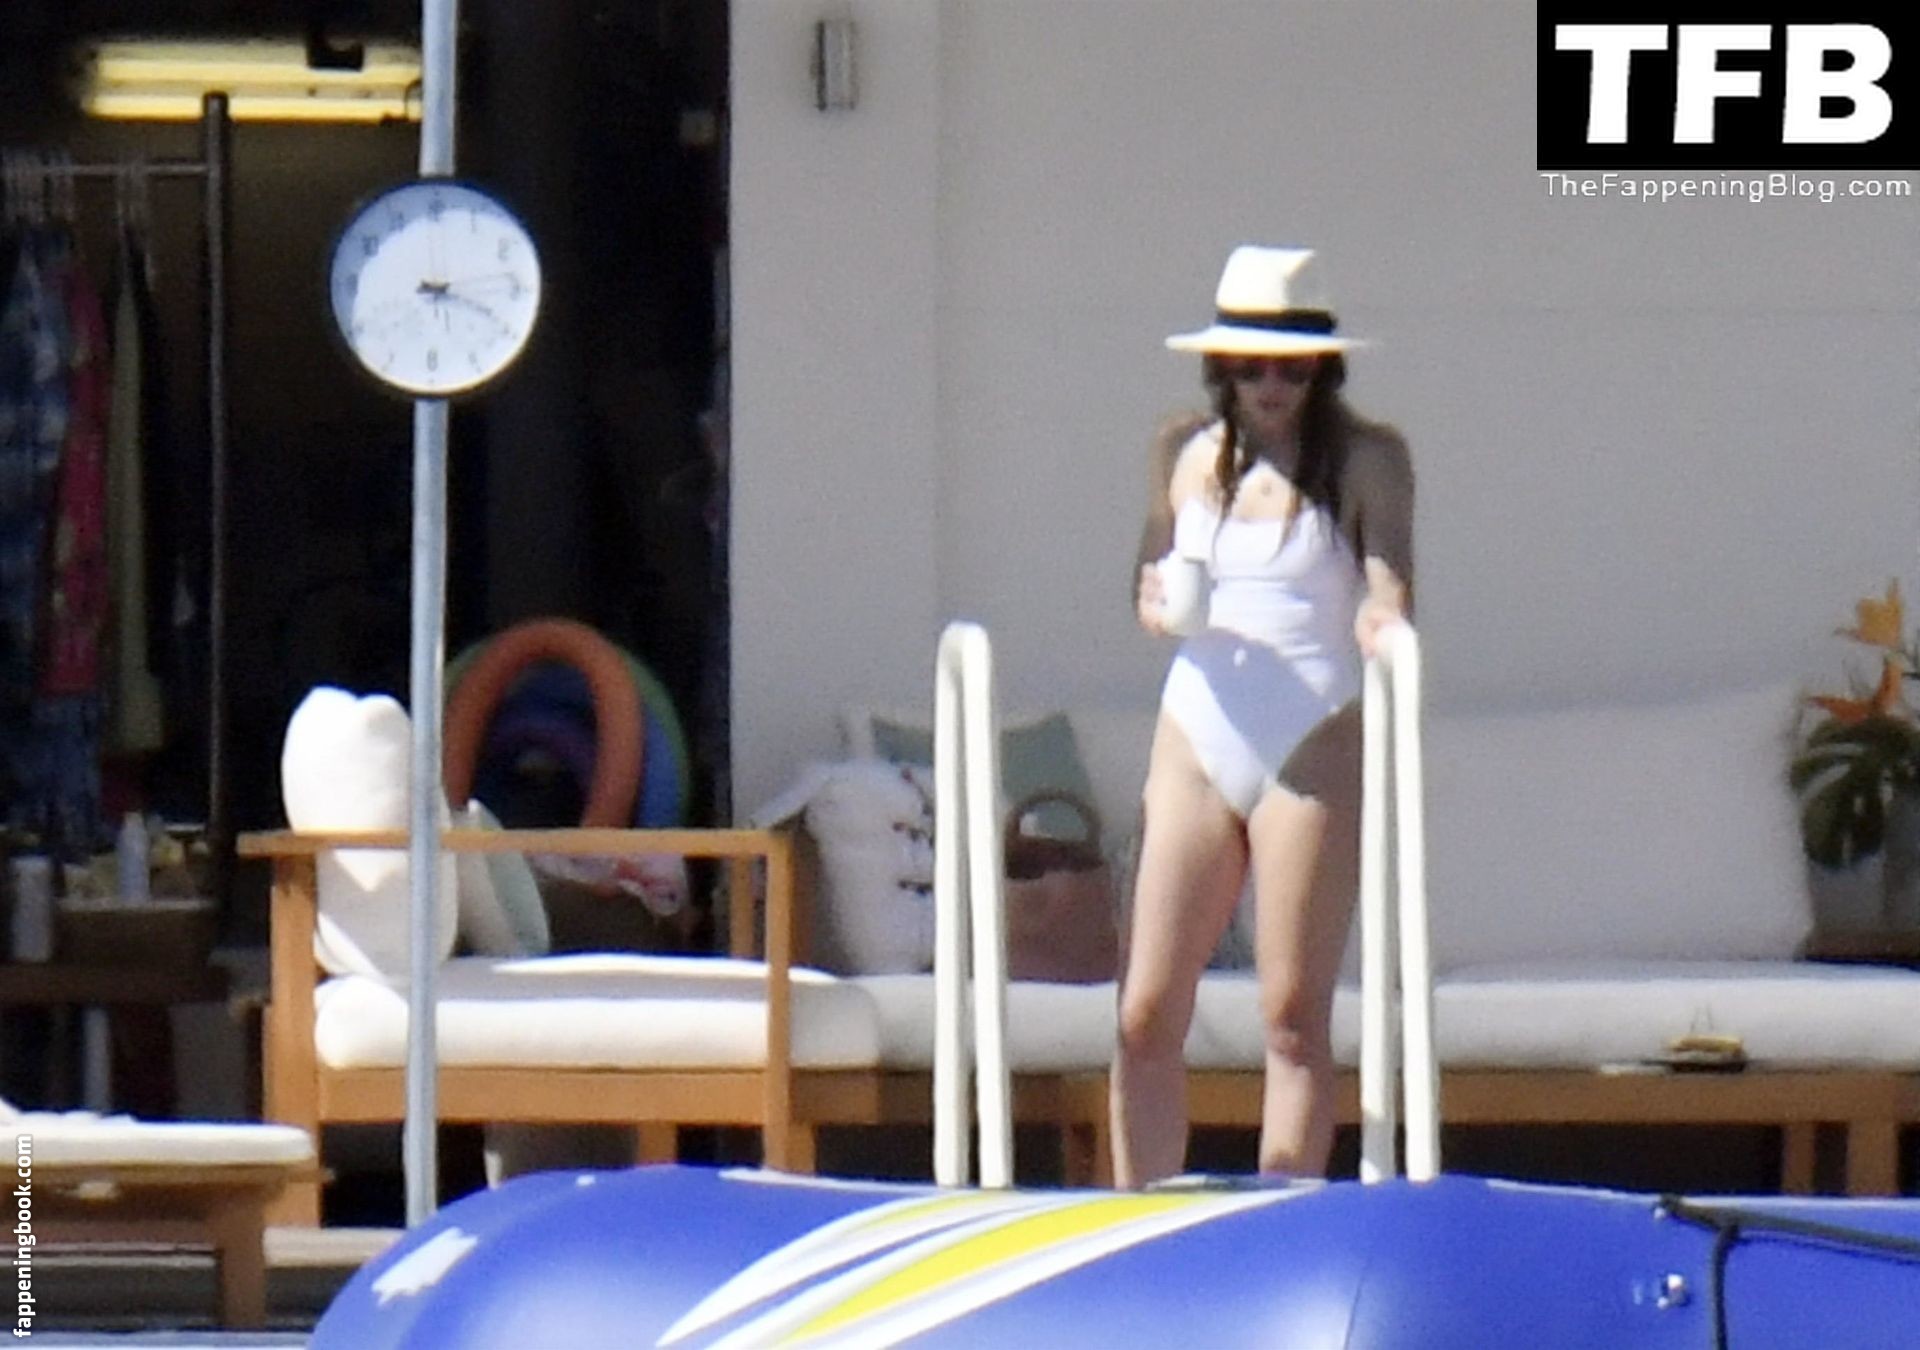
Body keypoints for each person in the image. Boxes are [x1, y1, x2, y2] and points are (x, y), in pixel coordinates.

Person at [1112, 245, 1414, 1187]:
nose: (1271, 386)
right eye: (1251, 366)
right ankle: (1139, 1220)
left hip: (1310, 731)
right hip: (1199, 727)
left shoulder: (1367, 458)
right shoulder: (1183, 452)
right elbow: (1150, 576)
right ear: (1222, 368)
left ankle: (1282, 1212)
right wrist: (1155, 600)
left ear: (1322, 370)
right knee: (1145, 1010)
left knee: (1290, 1015)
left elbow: (1390, 584)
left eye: (1292, 368)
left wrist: (1382, 621)